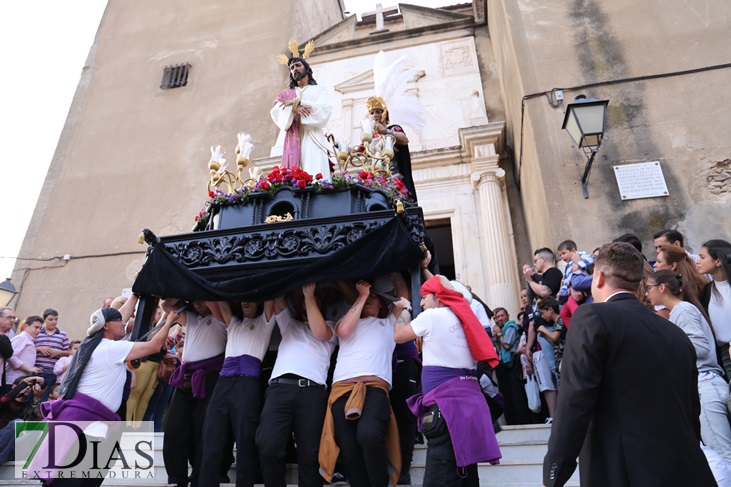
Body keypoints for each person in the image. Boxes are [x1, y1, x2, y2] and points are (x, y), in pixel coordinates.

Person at [543, 242, 715, 487]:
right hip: (686, 468)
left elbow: (574, 400)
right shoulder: (675, 333)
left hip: (626, 470)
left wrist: (554, 473)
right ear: (639, 283)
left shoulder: (592, 317)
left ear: (599, 278)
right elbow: (690, 412)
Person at [29, 301, 173, 487]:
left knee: (79, 479)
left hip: (92, 422)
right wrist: (169, 320)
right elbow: (154, 346)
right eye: (119, 321)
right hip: (85, 423)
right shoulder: (109, 349)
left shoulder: (95, 345)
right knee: (70, 480)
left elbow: (108, 318)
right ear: (105, 326)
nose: (124, 323)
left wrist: (136, 296)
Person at [395, 275, 501, 486]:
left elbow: (398, 335)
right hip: (470, 406)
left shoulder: (433, 316)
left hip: (446, 407)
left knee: (440, 475)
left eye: (425, 297)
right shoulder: (468, 319)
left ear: (439, 297)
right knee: (466, 472)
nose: (422, 303)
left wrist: (405, 309)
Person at [318, 279, 407, 486]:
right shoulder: (345, 321)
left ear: (381, 306)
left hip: (374, 389)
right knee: (349, 449)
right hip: (342, 390)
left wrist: (397, 271)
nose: (369, 300)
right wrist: (363, 295)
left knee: (369, 434)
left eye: (374, 298)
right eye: (367, 297)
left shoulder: (388, 323)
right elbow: (343, 332)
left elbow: (404, 297)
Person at [645, 269, 731, 462]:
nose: (646, 293)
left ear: (662, 288)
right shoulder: (680, 310)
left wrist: (665, 350)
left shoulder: (682, 310)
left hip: (706, 385)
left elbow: (699, 348)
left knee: (723, 455)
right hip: (707, 384)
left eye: (649, 288)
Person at [256, 284, 336, 487]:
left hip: (312, 391)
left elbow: (319, 332)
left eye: (315, 304)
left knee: (310, 453)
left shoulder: (331, 327)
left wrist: (309, 294)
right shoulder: (291, 325)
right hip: (279, 388)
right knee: (267, 445)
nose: (308, 306)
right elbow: (276, 300)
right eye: (305, 304)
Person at [162, 299, 228, 487]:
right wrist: (184, 294)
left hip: (210, 378)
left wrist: (204, 293)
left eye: (202, 301)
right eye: (195, 301)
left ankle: (200, 477)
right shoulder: (190, 317)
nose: (199, 304)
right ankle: (176, 479)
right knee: (174, 428)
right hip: (186, 377)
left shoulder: (220, 318)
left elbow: (215, 305)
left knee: (203, 430)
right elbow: (166, 306)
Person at [271, 41, 332, 178]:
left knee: (314, 169)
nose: (294, 69)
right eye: (292, 67)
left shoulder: (319, 90)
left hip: (313, 136)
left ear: (307, 69)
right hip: (292, 136)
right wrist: (294, 109)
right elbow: (277, 109)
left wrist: (298, 102)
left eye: (298, 65)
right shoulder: (286, 93)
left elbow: (325, 109)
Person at [366, 96, 417, 201]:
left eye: (377, 112)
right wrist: (338, 145)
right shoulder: (370, 139)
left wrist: (385, 131)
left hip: (394, 178)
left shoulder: (393, 129)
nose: (374, 115)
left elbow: (404, 139)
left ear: (384, 113)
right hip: (377, 182)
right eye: (372, 113)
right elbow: (359, 151)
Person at [698, 239, 731, 378]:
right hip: (722, 353)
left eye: (702, 257)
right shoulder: (707, 290)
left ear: (718, 261)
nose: (697, 261)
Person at [34, 308, 71, 402]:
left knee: (46, 399)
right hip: (36, 371)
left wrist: (59, 352)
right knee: (31, 397)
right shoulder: (37, 333)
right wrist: (38, 349)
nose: (54, 322)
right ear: (44, 320)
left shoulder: (63, 335)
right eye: (50, 319)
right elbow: (29, 350)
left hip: (52, 373)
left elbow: (69, 353)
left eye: (56, 319)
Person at [6, 316, 43, 385]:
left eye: (40, 328)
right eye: (36, 327)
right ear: (26, 326)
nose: (38, 331)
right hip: (13, 380)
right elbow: (11, 356)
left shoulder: (29, 340)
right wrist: (28, 369)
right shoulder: (22, 338)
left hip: (20, 380)